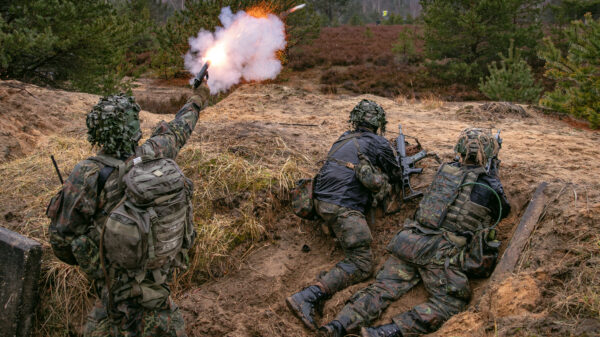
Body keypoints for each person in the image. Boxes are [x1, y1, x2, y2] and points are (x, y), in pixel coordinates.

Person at [319, 128, 511, 337]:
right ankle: (385, 332)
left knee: (381, 289)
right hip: (439, 253)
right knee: (451, 303)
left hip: (409, 241)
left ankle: (337, 325)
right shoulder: (489, 183)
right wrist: (492, 173)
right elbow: (503, 211)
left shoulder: (445, 170)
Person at [46, 93, 205, 336]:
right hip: (158, 291)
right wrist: (196, 99)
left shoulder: (87, 174)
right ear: (133, 127)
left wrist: (95, 261)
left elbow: (61, 242)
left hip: (115, 302)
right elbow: (178, 130)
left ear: (96, 128)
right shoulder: (154, 152)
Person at [287, 99, 401, 331]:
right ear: (378, 123)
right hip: (343, 209)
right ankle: (308, 297)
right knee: (362, 263)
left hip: (318, 202)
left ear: (355, 119)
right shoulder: (378, 142)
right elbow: (395, 173)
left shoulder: (342, 138)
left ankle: (332, 251)